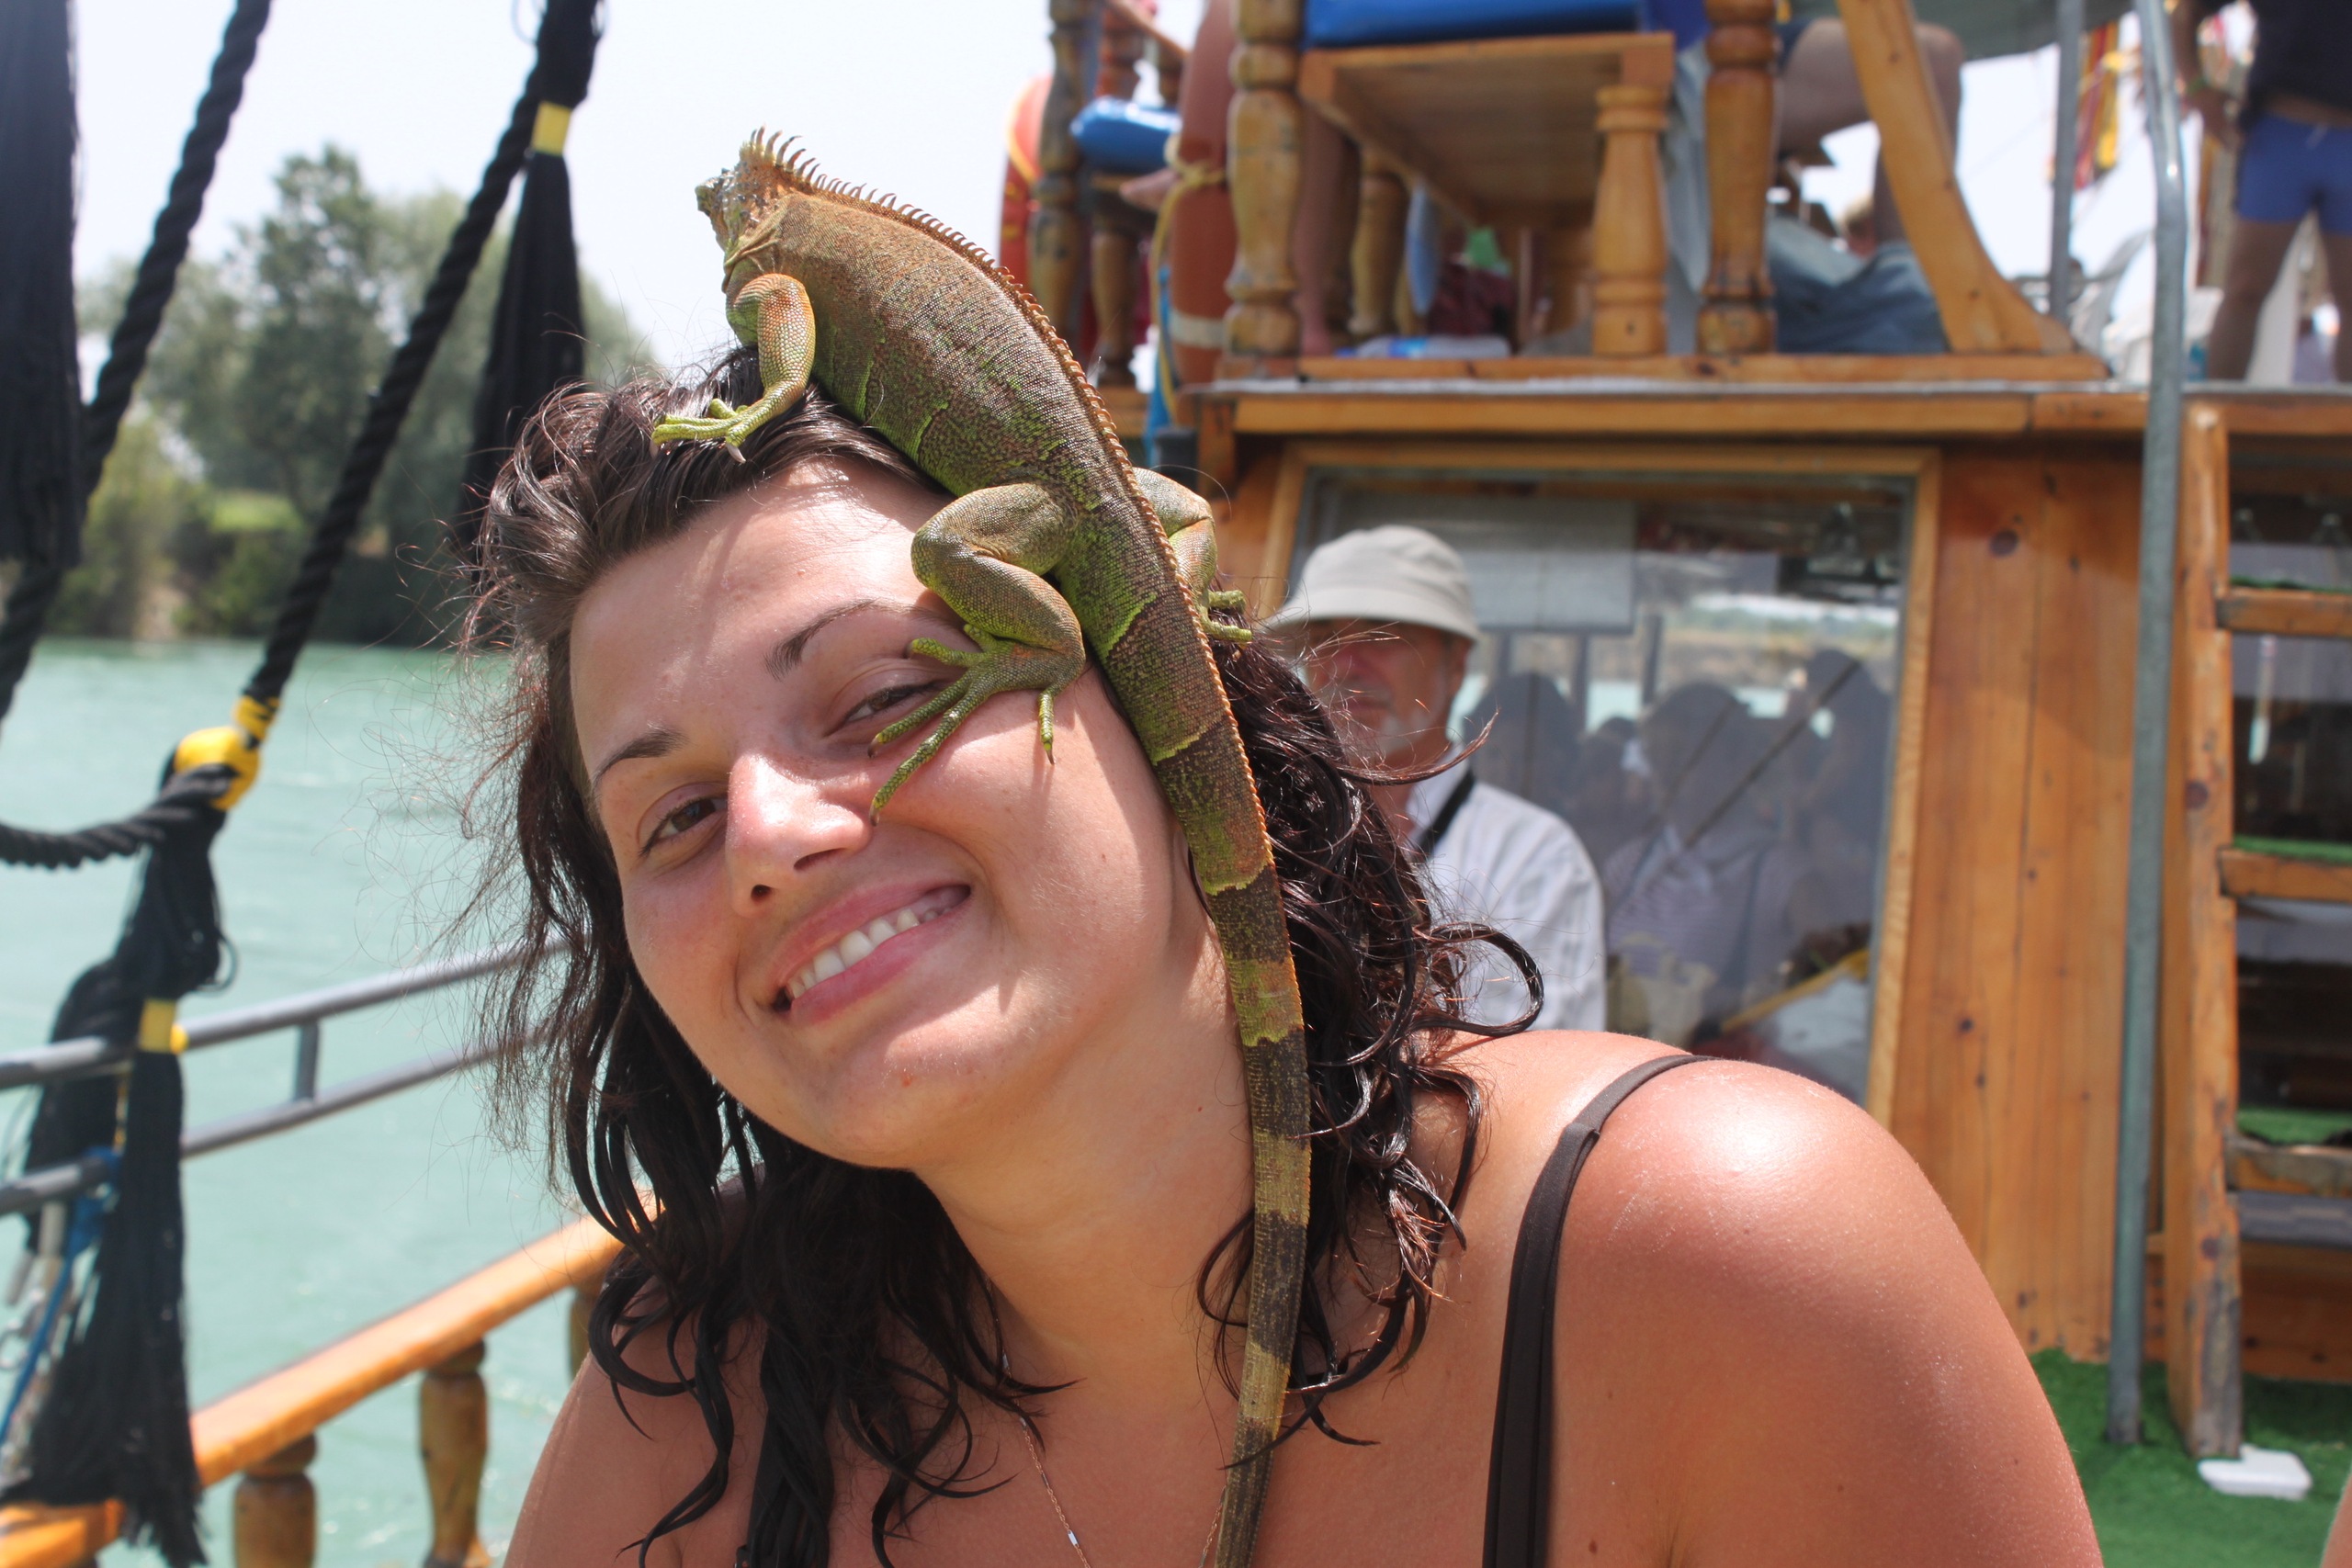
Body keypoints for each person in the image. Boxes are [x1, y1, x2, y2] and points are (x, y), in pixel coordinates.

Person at [483, 355, 2098, 1567]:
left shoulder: (1726, 1264)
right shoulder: (692, 1390)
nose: (768, 831)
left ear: (1153, 682)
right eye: (674, 816)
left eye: (889, 692)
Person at [1271, 525, 1606, 1032]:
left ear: (1456, 665)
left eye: (1380, 637)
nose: (1344, 664)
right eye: (1322, 639)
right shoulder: (1272, 826)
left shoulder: (1535, 854)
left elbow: (1547, 1057)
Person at [2177, 0, 2352, 382]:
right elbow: (2185, 14)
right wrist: (2198, 89)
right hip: (2279, 137)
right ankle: (2218, 410)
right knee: (2245, 288)